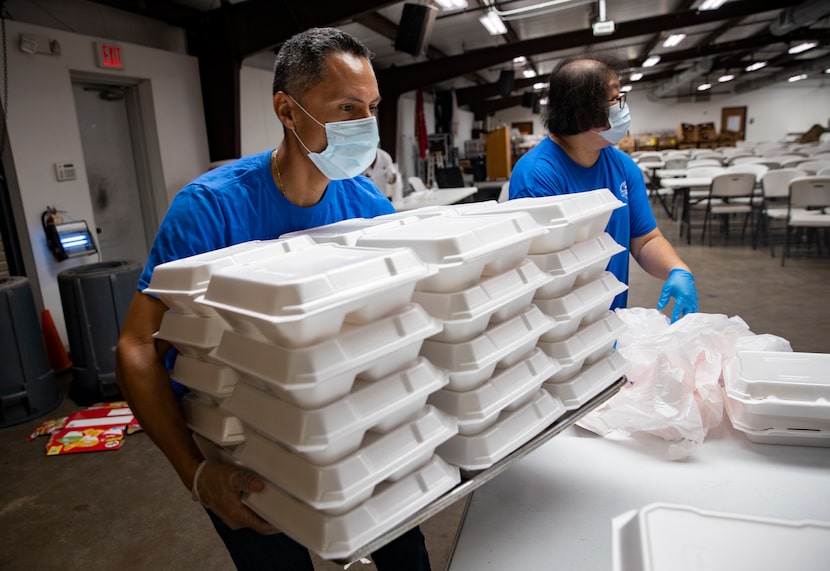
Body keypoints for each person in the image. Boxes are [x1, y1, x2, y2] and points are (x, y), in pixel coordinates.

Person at [116, 28, 431, 570]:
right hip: (244, 448)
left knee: (408, 557)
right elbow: (137, 347)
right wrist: (195, 474)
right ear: (288, 110)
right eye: (347, 107)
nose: (365, 127)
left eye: (372, 109)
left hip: (355, 435)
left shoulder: (369, 209)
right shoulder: (211, 209)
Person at [509, 56, 698, 323]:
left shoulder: (621, 166)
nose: (622, 107)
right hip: (561, 328)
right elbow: (542, 274)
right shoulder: (538, 177)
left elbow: (644, 240)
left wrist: (676, 269)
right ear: (583, 113)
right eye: (614, 99)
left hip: (612, 318)